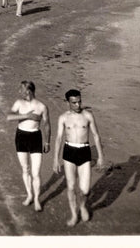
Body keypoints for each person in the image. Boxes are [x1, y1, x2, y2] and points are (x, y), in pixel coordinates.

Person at [52, 89, 106, 227]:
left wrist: (100, 156)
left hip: (84, 151)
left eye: (79, 101)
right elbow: (58, 138)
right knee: (70, 187)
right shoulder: (63, 117)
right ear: (68, 103)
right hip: (69, 152)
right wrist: (55, 159)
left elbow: (96, 136)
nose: (78, 105)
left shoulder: (88, 116)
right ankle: (74, 214)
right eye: (74, 102)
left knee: (85, 189)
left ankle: (82, 206)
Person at [6, 81, 50, 212]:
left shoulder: (42, 106)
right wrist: (27, 116)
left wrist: (47, 142)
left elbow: (47, 125)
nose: (20, 92)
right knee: (25, 169)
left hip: (36, 137)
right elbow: (9, 117)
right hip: (21, 137)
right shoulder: (19, 103)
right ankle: (29, 194)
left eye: (22, 90)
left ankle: (36, 198)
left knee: (36, 172)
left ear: (29, 91)